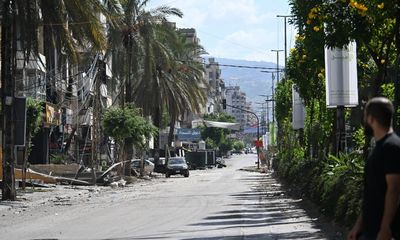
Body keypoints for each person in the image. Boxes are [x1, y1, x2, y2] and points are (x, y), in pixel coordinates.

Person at [348, 97, 400, 240]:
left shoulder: (392, 147)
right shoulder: (378, 148)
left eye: (365, 116)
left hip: (383, 233)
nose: (364, 120)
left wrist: (385, 228)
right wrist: (359, 225)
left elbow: (394, 189)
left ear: (371, 119)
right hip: (370, 230)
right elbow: (372, 193)